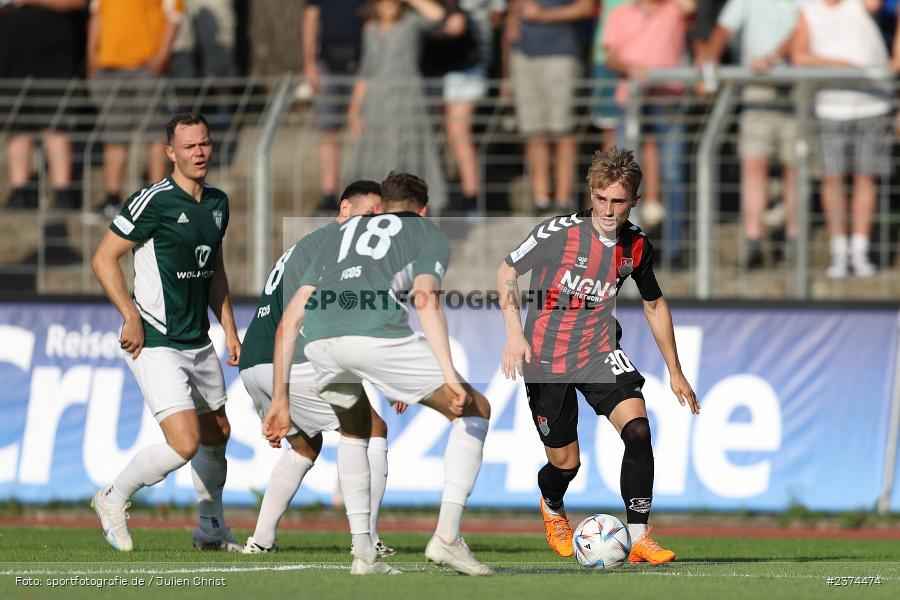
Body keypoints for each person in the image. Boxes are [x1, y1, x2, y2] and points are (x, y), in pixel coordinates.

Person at [265, 171, 493, 576]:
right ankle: (447, 536)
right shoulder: (427, 232)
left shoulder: (337, 235)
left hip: (319, 343)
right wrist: (450, 374)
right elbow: (425, 297)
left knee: (355, 431)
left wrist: (280, 400)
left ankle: (363, 555)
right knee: (475, 409)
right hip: (373, 334)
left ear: (383, 204)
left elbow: (289, 321)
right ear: (422, 209)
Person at [496, 146, 699, 564]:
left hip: (599, 350)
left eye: (619, 201)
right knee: (566, 463)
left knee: (639, 431)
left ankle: (640, 536)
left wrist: (675, 371)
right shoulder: (559, 234)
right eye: (602, 199)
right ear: (591, 193)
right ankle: (552, 505)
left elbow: (654, 303)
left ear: (635, 201)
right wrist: (515, 333)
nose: (608, 210)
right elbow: (506, 271)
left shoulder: (637, 246)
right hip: (546, 358)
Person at [90, 112, 241, 552]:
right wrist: (130, 315)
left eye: (205, 144)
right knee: (185, 443)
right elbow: (103, 258)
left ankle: (211, 528)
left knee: (217, 433)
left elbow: (213, 268)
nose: (199, 152)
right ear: (170, 152)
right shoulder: (152, 200)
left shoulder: (217, 203)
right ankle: (112, 497)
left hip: (198, 340)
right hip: (154, 339)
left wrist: (229, 328)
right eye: (189, 146)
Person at [238, 180, 397, 556]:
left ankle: (260, 540)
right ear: (344, 209)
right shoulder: (331, 247)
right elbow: (302, 325)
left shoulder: (322, 246)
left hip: (255, 362)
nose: (376, 222)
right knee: (372, 428)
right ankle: (368, 538)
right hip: (287, 361)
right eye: (369, 212)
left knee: (306, 445)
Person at [790, 0, 891, 278]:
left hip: (873, 102)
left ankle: (860, 251)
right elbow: (799, 56)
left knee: (865, 177)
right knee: (833, 178)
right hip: (831, 107)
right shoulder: (808, 9)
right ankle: (839, 252)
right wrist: (840, 66)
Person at [699, 0, 801, 269]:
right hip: (756, 86)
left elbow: (806, 27)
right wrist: (708, 62)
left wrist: (775, 56)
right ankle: (754, 240)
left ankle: (794, 242)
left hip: (799, 86)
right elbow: (723, 29)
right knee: (754, 164)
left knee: (795, 166)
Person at [603, 0, 695, 266]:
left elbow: (691, 7)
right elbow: (609, 56)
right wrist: (631, 68)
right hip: (630, 101)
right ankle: (622, 250)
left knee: (674, 174)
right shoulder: (619, 14)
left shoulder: (675, 9)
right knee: (622, 178)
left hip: (668, 100)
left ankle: (675, 250)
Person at [348, 0, 449, 212]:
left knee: (409, 159)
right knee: (374, 162)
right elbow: (365, 72)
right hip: (376, 106)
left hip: (408, 103)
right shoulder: (371, 30)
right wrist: (355, 109)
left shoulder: (411, 23)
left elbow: (439, 15)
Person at [87, 0, 182, 215]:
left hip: (146, 66)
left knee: (155, 134)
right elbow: (97, 16)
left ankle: (158, 199)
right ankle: (112, 198)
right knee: (114, 136)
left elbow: (174, 16)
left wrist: (161, 57)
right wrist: (92, 58)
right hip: (109, 67)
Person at [504, 0, 596, 213]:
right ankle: (540, 198)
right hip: (523, 56)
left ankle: (564, 199)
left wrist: (543, 15)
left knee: (562, 131)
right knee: (534, 131)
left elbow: (586, 7)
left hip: (560, 55)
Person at [0, 0, 86, 211]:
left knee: (55, 126)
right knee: (16, 128)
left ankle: (63, 193)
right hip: (12, 56)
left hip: (53, 57)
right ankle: (21, 191)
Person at [303, 0, 367, 212]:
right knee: (328, 130)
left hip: (361, 61)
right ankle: (329, 194)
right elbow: (311, 19)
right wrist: (309, 62)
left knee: (361, 129)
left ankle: (365, 193)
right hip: (327, 61)